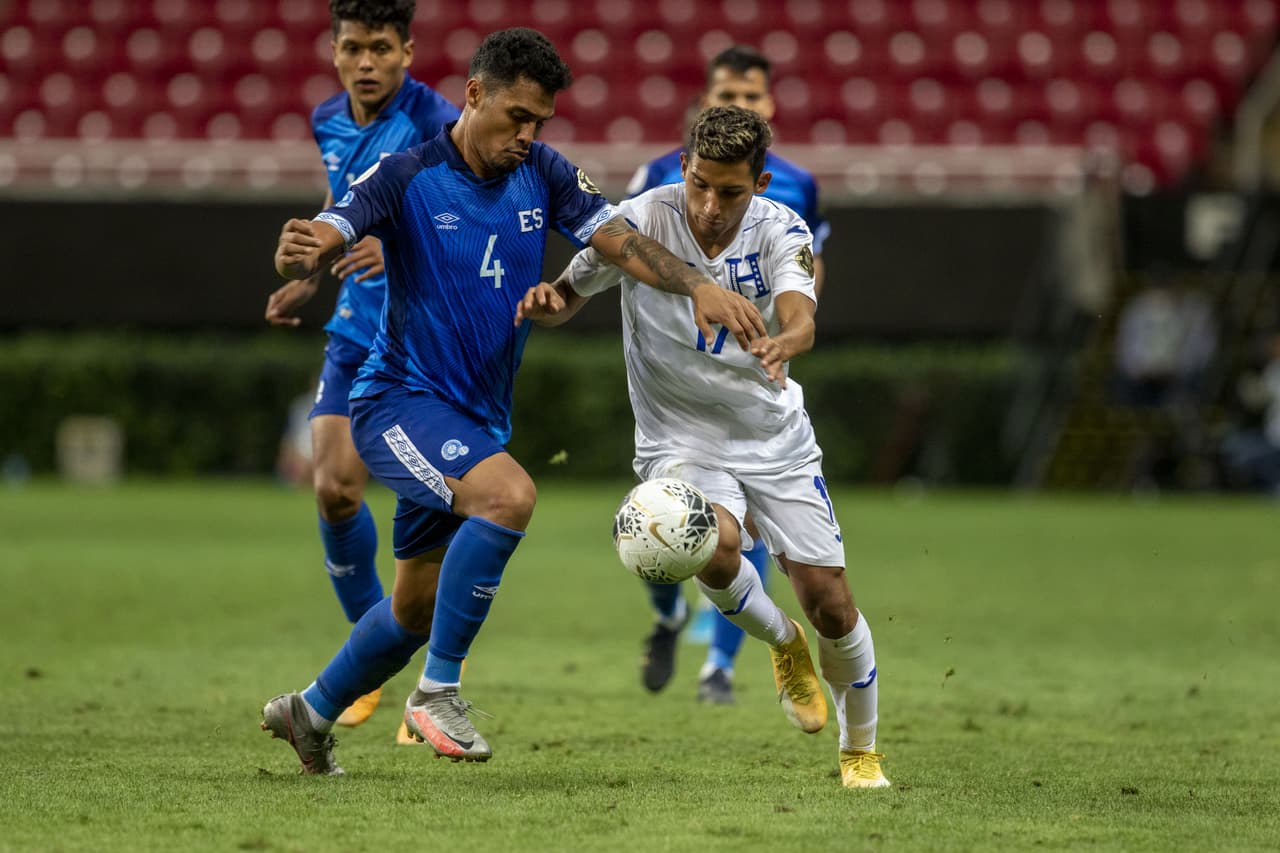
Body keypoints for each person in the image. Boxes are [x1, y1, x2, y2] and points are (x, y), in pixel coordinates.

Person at [260, 27, 767, 775]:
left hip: (472, 417)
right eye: (516, 118)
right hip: (398, 403)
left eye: (541, 122)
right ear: (473, 96)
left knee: (412, 611)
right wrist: (305, 246)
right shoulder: (409, 172)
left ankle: (309, 710)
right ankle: (438, 693)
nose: (528, 136)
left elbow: (620, 240)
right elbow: (338, 223)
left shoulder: (546, 172)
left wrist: (698, 284)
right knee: (510, 496)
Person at [520, 106, 889, 788]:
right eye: (699, 184)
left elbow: (802, 314)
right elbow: (572, 290)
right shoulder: (641, 218)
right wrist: (550, 304)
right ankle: (782, 642)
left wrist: (785, 339)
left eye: (730, 191)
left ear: (762, 182)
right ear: (683, 167)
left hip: (771, 435)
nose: (710, 205)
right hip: (678, 436)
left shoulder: (785, 228)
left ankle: (859, 748)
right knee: (708, 546)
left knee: (831, 603)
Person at [262, 0, 459, 734]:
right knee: (334, 487)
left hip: (422, 335)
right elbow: (342, 195)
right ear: (335, 52)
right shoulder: (327, 119)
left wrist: (400, 243)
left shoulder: (440, 121)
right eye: (354, 48)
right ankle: (366, 658)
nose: (367, 62)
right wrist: (314, 270)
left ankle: (431, 675)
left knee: (434, 516)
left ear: (407, 51)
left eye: (381, 47)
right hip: (354, 326)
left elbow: (459, 213)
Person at [625, 44, 831, 706]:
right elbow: (625, 252)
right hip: (676, 383)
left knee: (748, 524)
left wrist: (793, 326)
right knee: (662, 529)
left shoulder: (795, 184)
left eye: (749, 97)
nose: (736, 105)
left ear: (768, 106)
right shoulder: (659, 176)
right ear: (703, 103)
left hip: (752, 375)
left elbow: (809, 261)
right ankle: (667, 614)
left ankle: (720, 665)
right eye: (725, 95)